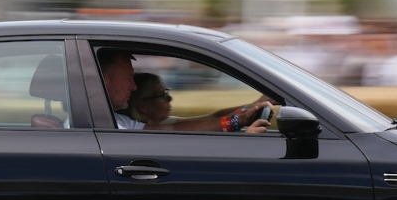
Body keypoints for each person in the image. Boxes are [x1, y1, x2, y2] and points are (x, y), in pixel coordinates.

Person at [97, 47, 274, 132]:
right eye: (128, 79)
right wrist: (242, 136)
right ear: (105, 80)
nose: (133, 86)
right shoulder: (112, 126)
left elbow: (175, 129)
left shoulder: (119, 123)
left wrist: (241, 118)